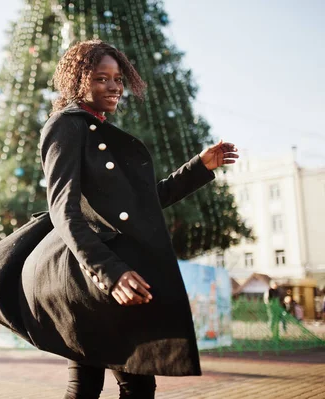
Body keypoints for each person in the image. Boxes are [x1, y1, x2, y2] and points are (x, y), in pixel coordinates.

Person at [28, 40, 238, 398]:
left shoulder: (98, 130)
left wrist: (199, 168)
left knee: (116, 386)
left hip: (110, 275)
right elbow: (64, 210)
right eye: (100, 78)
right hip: (91, 276)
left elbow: (143, 204)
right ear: (78, 80)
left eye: (117, 79)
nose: (113, 87)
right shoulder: (65, 126)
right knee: (108, 386)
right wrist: (111, 273)